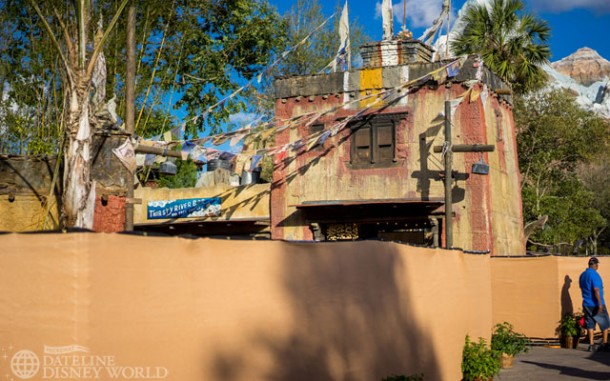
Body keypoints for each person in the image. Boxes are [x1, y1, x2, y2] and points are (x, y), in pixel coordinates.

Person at [579, 256, 610, 351]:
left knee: (590, 323)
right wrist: (600, 303)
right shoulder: (595, 275)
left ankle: (591, 345)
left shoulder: (582, 275)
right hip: (596, 303)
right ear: (596, 265)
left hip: (586, 303)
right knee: (605, 323)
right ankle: (605, 343)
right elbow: (596, 289)